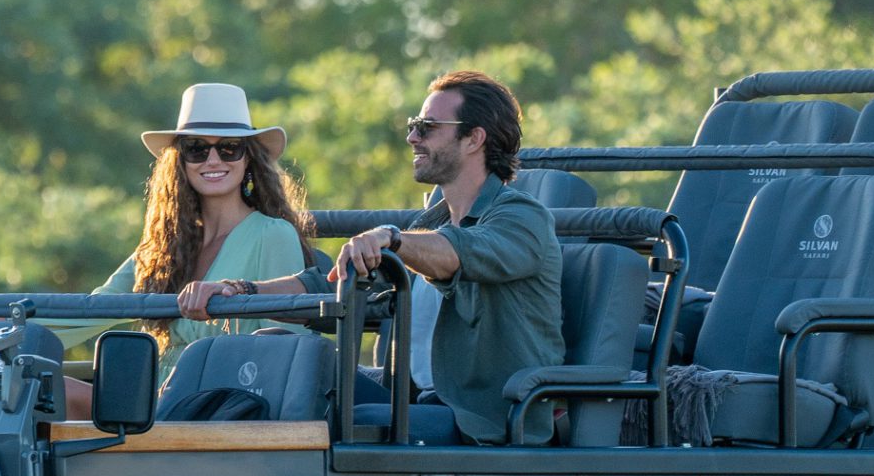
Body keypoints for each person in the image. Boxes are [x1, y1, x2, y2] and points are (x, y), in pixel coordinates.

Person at [211, 70, 562, 444]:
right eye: (414, 125)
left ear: (474, 138)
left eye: (427, 127)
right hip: (416, 402)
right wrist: (240, 291)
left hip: (480, 420)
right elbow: (333, 289)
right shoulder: (430, 223)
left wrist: (390, 239)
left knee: (336, 417)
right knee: (280, 350)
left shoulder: (523, 218)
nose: (412, 137)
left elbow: (459, 252)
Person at [55, 84, 316, 409]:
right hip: (153, 398)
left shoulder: (272, 235)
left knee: (42, 391)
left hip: (216, 409)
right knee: (36, 385)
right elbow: (93, 310)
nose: (213, 159)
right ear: (180, 161)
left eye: (229, 148)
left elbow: (285, 349)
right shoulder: (166, 245)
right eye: (196, 148)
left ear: (248, 157)